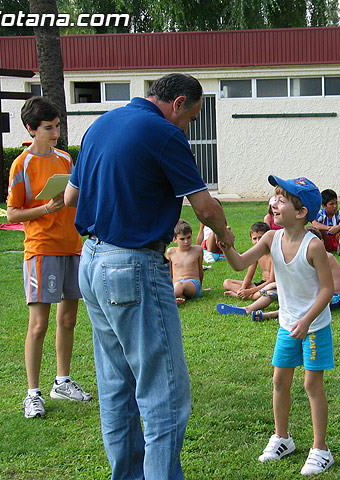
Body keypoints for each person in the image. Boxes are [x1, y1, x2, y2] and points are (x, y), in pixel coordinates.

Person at [64, 73, 234, 479]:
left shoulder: (100, 125)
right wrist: (225, 236)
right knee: (165, 393)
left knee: (116, 387)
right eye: (191, 118)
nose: (188, 127)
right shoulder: (165, 134)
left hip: (91, 262)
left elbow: (70, 197)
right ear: (178, 103)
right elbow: (205, 209)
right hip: (133, 266)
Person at [219, 175, 335, 476]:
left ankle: (321, 449)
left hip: (314, 327)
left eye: (282, 200)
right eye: (275, 197)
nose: (274, 202)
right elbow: (239, 263)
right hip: (287, 325)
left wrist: (306, 320)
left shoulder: (313, 246)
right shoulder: (271, 238)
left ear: (301, 212)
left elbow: (328, 289)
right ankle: (283, 438)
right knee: (279, 381)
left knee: (311, 385)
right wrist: (227, 245)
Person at [7, 96, 91, 419]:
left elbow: (77, 197)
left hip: (72, 246)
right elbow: (12, 213)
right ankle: (33, 394)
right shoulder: (21, 165)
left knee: (68, 320)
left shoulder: (66, 159)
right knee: (39, 324)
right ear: (31, 129)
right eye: (48, 128)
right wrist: (45, 208)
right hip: (41, 250)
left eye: (57, 126)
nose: (55, 133)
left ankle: (62, 382)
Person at [223, 221, 274, 299]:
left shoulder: (273, 254)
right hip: (261, 284)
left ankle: (239, 295)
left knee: (266, 293)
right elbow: (249, 275)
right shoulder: (256, 253)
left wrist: (250, 291)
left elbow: (271, 280)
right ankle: (243, 294)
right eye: (255, 238)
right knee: (227, 282)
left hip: (272, 285)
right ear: (251, 240)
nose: (258, 241)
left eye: (261, 238)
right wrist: (243, 288)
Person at [166, 219, 204, 305]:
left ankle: (166, 301)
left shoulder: (198, 250)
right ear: (175, 239)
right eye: (182, 239)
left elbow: (200, 270)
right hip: (176, 285)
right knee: (180, 291)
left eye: (189, 237)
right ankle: (178, 300)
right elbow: (169, 273)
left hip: (193, 285)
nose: (186, 242)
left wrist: (201, 287)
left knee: (180, 285)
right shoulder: (171, 252)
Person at [312, 188, 340, 256]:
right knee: (318, 230)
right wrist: (329, 228)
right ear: (324, 206)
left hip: (338, 237)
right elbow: (313, 224)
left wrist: (339, 227)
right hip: (326, 239)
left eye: (336, 203)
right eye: (331, 204)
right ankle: (320, 247)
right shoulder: (320, 213)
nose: (335, 206)